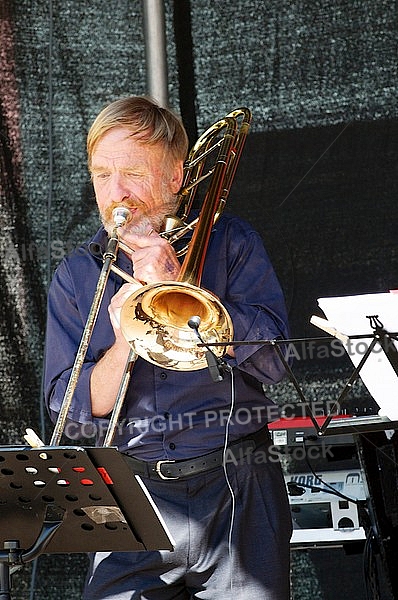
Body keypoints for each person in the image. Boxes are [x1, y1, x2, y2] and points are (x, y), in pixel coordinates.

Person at [44, 95, 293, 600]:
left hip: (236, 487)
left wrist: (183, 288)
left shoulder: (232, 243)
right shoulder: (75, 275)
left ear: (176, 178)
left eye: (132, 173)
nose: (116, 192)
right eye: (101, 174)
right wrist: (122, 343)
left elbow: (274, 362)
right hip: (129, 496)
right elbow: (71, 416)